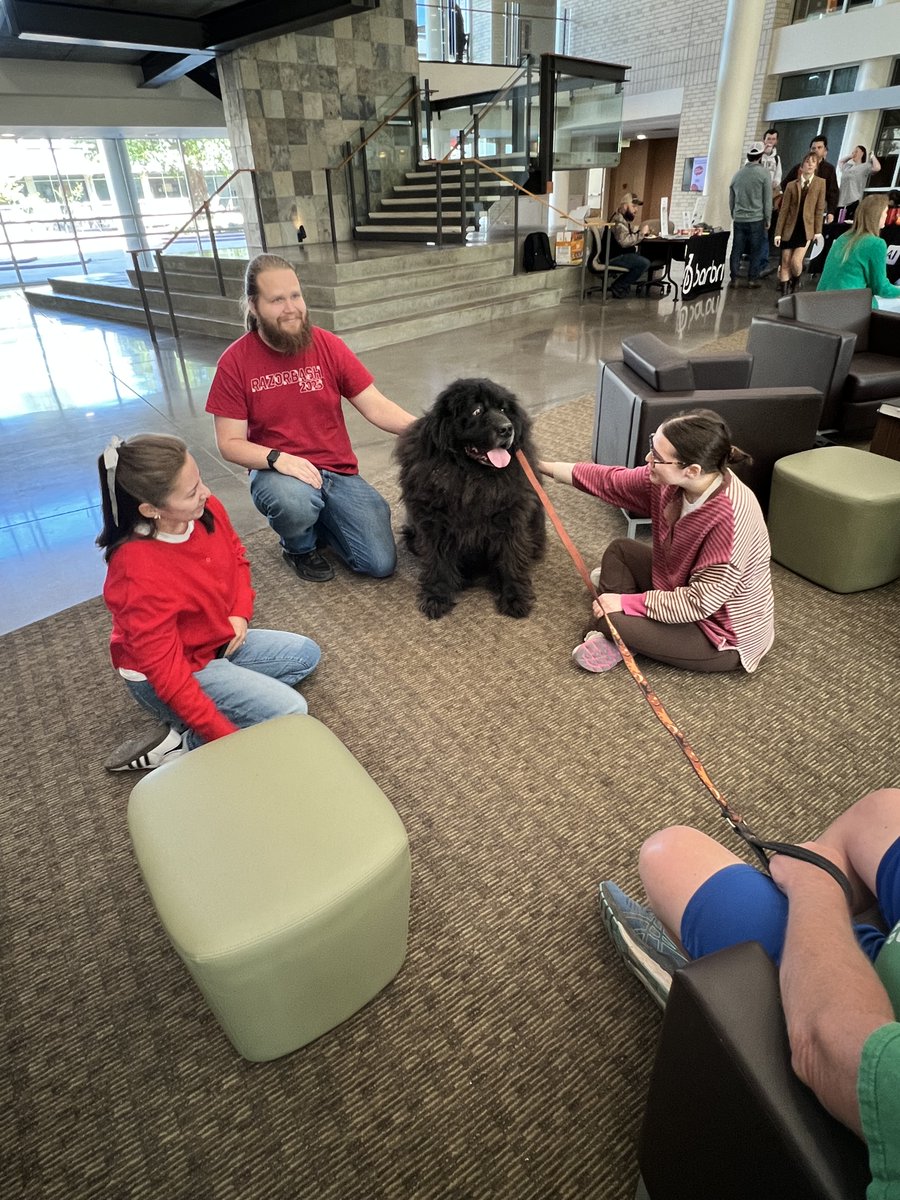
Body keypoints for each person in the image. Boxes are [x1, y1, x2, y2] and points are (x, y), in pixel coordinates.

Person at [598, 786, 900, 1193]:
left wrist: (815, 886)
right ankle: (802, 915)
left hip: (850, 1027)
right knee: (882, 811)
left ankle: (713, 998)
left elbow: (824, 1046)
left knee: (668, 854)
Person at [97, 433, 321, 771]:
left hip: (214, 639)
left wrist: (239, 614)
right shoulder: (135, 573)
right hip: (174, 670)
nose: (207, 492)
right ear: (150, 509)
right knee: (290, 711)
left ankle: (219, 698)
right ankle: (183, 746)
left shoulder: (205, 510)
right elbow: (169, 674)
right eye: (191, 492)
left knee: (305, 655)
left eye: (200, 480)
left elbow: (237, 556)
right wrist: (221, 738)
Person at [206, 253, 416, 583]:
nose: (291, 308)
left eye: (295, 295)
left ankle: (319, 521)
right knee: (293, 502)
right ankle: (299, 546)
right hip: (278, 472)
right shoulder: (234, 363)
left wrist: (432, 429)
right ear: (253, 305)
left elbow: (375, 405)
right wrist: (277, 459)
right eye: (277, 300)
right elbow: (229, 444)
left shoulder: (327, 345)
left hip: (337, 471)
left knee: (380, 563)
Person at [537, 409, 775, 675]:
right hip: (679, 585)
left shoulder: (730, 519)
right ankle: (629, 634)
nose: (648, 458)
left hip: (718, 633)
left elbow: (700, 602)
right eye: (653, 447)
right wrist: (542, 466)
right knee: (620, 551)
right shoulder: (671, 479)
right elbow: (612, 481)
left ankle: (618, 633)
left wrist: (627, 604)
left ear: (691, 470)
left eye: (657, 458)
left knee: (610, 618)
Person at [817, 193, 900, 306]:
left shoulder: (843, 237)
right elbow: (881, 287)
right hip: (850, 305)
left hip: (820, 301)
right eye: (885, 212)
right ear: (877, 215)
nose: (887, 216)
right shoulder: (877, 244)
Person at [774, 151, 826, 296]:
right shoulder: (791, 185)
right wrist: (778, 233)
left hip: (805, 229)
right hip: (789, 228)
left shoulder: (820, 184)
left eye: (813, 162)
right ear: (802, 165)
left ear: (816, 166)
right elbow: (783, 210)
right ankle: (784, 297)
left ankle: (796, 281)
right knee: (785, 261)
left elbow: (819, 209)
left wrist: (818, 231)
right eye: (807, 161)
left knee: (796, 262)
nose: (810, 164)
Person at [728, 141, 772, 288]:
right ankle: (752, 279)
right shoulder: (764, 174)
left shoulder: (737, 175)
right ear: (760, 156)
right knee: (756, 250)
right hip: (756, 219)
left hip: (739, 218)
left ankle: (734, 278)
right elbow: (767, 199)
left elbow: (731, 199)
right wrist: (768, 217)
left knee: (737, 249)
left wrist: (734, 214)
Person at [783, 135, 839, 225]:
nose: (816, 150)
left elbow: (833, 192)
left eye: (819, 147)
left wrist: (831, 212)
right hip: (796, 211)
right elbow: (785, 184)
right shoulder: (799, 167)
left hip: (815, 212)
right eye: (813, 148)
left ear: (825, 150)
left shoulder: (829, 169)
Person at [606, 193, 651, 299]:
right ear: (625, 206)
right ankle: (619, 286)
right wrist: (641, 234)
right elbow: (625, 241)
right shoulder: (618, 221)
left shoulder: (623, 219)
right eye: (634, 206)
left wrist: (640, 231)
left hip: (619, 254)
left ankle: (622, 285)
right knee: (644, 263)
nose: (636, 210)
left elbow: (627, 233)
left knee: (643, 259)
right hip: (614, 256)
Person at [757, 128, 782, 278]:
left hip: (769, 199)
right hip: (757, 198)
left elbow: (778, 177)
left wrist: (774, 184)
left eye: (773, 139)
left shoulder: (777, 159)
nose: (770, 142)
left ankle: (763, 264)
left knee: (765, 232)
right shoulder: (757, 155)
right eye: (768, 139)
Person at [837, 145, 881, 221]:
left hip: (853, 201)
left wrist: (872, 156)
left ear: (862, 153)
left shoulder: (865, 166)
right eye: (853, 151)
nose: (854, 153)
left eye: (856, 151)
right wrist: (851, 155)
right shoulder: (847, 167)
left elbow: (877, 168)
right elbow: (841, 162)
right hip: (841, 202)